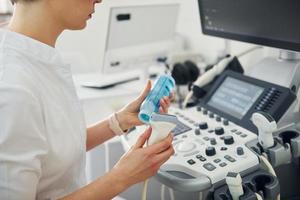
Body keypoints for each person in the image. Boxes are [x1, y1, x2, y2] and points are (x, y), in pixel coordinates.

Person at [0, 0, 175, 199]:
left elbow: (55, 148)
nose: (100, 0)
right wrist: (121, 177)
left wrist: (119, 121)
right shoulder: (11, 87)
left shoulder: (36, 57)